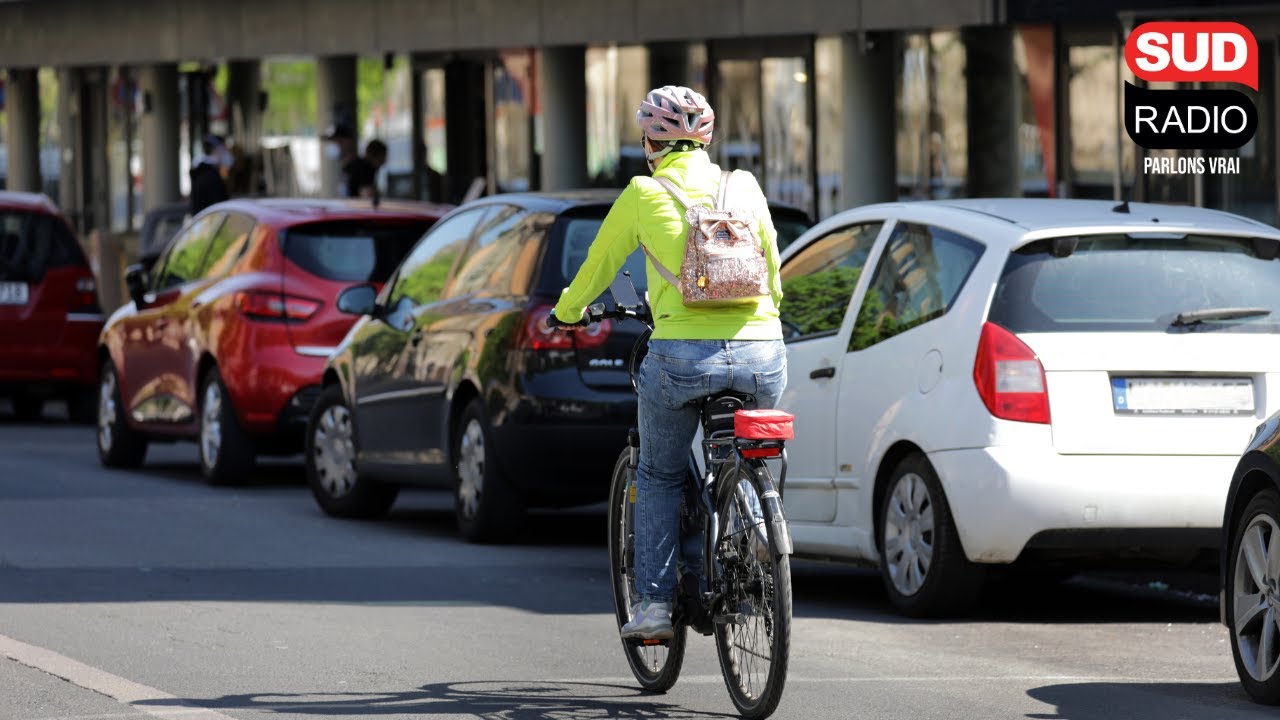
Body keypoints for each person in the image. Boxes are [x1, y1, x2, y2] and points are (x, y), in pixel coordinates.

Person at [551, 86, 787, 640]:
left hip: (682, 357)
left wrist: (568, 312)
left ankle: (655, 606)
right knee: (738, 451)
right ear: (706, 138)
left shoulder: (642, 192)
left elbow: (597, 266)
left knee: (658, 473)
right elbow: (773, 268)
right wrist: (764, 322)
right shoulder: (745, 186)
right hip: (763, 351)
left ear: (649, 142)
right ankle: (752, 520)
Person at [189, 134, 230, 215]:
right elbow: (219, 208)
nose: (225, 153)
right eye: (223, 149)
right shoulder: (211, 177)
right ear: (216, 150)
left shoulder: (202, 172)